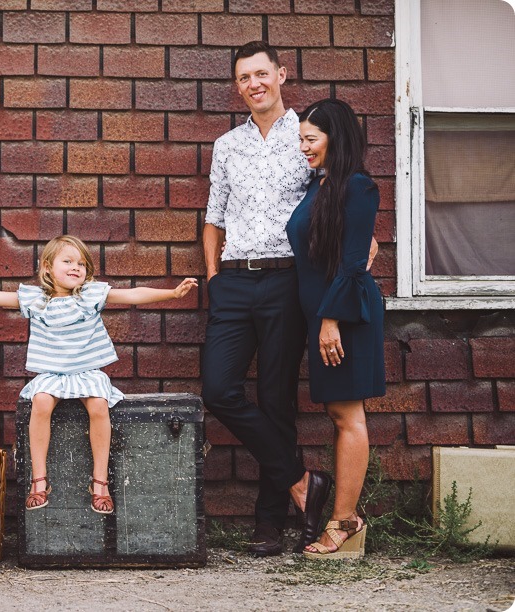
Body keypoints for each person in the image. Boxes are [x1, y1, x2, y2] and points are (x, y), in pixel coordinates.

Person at [0, 235, 197, 515]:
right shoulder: (36, 299)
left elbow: (132, 294)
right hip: (53, 374)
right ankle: (39, 480)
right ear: (47, 268)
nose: (76, 267)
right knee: (41, 402)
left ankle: (100, 482)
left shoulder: (89, 295)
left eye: (81, 263)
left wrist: (172, 293)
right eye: (67, 261)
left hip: (86, 372)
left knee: (98, 405)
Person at [202, 41, 341, 556]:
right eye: (244, 78)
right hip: (234, 283)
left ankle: (269, 523)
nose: (254, 84)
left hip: (287, 281)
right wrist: (215, 278)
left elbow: (337, 192)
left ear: (282, 75)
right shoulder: (227, 145)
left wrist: (361, 238)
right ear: (237, 86)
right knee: (219, 389)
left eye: (262, 74)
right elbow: (214, 217)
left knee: (276, 401)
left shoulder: (307, 134)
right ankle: (303, 484)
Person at [286, 99, 386, 559]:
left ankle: (345, 520)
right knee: (338, 415)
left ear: (335, 138)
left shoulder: (358, 187)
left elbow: (350, 263)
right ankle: (347, 515)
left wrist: (329, 320)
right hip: (323, 315)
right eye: (301, 139)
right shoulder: (320, 184)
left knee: (348, 416)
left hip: (345, 317)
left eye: (311, 139)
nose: (303, 147)